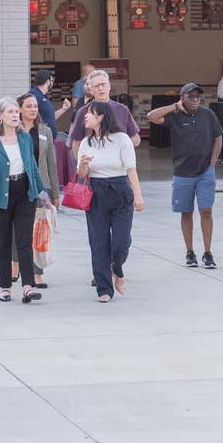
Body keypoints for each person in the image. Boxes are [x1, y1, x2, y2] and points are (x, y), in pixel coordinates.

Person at [147, 82, 223, 269]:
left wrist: (212, 164)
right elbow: (151, 116)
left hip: (205, 171)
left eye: (198, 96)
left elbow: (218, 138)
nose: (195, 99)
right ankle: (190, 252)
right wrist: (174, 107)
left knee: (206, 210)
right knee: (186, 212)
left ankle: (207, 252)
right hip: (182, 173)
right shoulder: (175, 116)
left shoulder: (208, 115)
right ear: (182, 98)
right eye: (191, 96)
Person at [0, 97, 48, 304]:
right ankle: (5, 287)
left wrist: (42, 192)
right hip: (0, 196)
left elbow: (33, 167)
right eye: (10, 112)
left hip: (24, 193)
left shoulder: (25, 138)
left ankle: (28, 286)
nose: (15, 115)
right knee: (3, 243)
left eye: (16, 112)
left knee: (25, 241)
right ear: (0, 116)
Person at [76, 101, 144, 302]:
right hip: (96, 192)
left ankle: (117, 268)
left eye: (90, 113)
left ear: (102, 116)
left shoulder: (122, 139)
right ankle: (104, 289)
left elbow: (131, 169)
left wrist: (138, 196)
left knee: (121, 243)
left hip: (120, 190)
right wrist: (82, 166)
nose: (85, 116)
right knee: (99, 243)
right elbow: (81, 175)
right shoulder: (86, 143)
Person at [13, 92, 62, 287]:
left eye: (35, 106)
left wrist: (55, 193)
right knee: (18, 227)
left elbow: (51, 163)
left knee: (39, 230)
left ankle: (37, 272)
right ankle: (15, 263)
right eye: (29, 106)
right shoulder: (13, 131)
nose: (33, 109)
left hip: (41, 186)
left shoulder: (45, 131)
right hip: (17, 184)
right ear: (20, 109)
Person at [68, 69, 140, 160]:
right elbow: (76, 143)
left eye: (103, 84)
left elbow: (136, 139)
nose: (101, 88)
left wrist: (121, 147)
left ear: (109, 86)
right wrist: (82, 164)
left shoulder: (122, 110)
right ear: (91, 90)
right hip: (93, 167)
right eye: (97, 86)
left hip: (119, 165)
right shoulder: (83, 111)